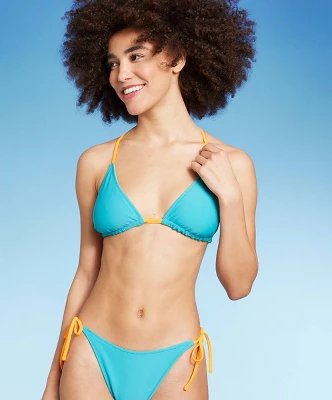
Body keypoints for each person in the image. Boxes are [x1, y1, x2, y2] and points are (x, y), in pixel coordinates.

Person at [42, 0, 258, 399]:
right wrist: (53, 381)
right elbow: (86, 273)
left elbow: (239, 285)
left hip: (176, 360)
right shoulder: (97, 162)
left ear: (176, 58)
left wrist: (229, 197)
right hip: (91, 352)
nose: (121, 74)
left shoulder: (232, 164)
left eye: (136, 56)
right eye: (112, 63)